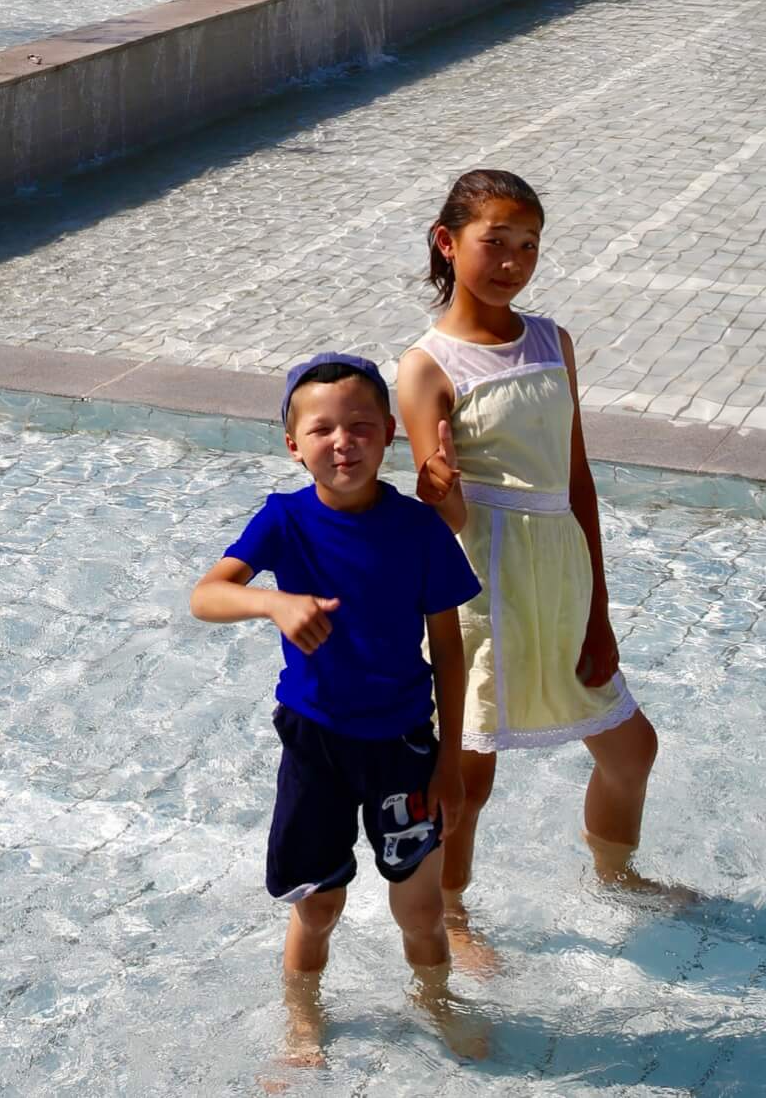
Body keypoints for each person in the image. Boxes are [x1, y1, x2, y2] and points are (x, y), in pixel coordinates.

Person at [397, 167, 675, 941]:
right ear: (448, 243)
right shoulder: (426, 366)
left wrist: (601, 612)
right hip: (484, 582)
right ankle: (451, 917)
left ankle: (616, 878)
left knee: (631, 748)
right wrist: (438, 483)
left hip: (561, 577)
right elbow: (440, 513)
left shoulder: (553, 342)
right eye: (496, 242)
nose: (514, 260)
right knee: (470, 777)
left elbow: (577, 479)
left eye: (529, 244)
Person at [191, 354, 483, 1065]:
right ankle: (303, 1024)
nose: (342, 442)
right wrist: (272, 602)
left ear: (390, 434)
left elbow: (449, 650)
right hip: (316, 745)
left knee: (419, 909)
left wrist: (450, 762)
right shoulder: (283, 521)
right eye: (321, 429)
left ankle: (437, 1004)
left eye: (360, 427)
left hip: (404, 746)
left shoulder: (418, 530)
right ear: (293, 444)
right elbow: (206, 595)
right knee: (316, 906)